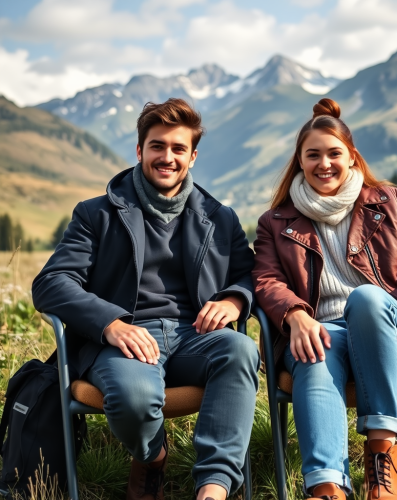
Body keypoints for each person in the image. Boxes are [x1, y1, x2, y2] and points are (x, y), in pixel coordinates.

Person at [252, 98, 397, 500]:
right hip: (322, 333)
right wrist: (294, 314)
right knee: (315, 350)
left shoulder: (386, 203)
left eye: (333, 154)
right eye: (313, 156)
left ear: (352, 157)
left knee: (365, 300)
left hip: (391, 334)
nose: (324, 164)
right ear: (300, 161)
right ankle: (326, 487)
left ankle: (381, 457)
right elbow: (266, 279)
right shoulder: (275, 223)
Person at [32, 98, 260, 500]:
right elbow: (51, 283)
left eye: (178, 149)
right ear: (140, 151)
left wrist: (235, 300)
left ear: (192, 157)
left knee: (240, 349)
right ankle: (152, 456)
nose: (166, 157)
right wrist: (111, 323)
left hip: (196, 336)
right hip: (125, 338)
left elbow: (250, 273)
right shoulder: (96, 214)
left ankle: (215, 486)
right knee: (135, 399)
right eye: (157, 146)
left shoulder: (219, 216)